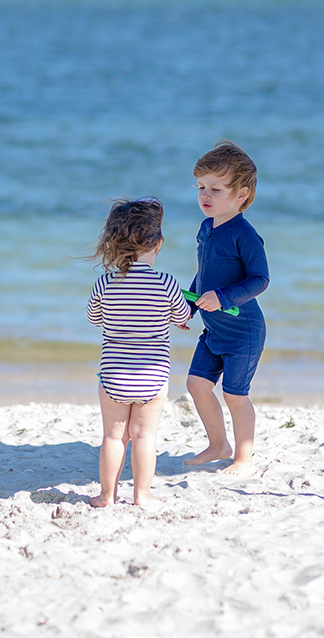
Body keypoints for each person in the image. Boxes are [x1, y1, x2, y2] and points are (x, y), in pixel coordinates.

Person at [86, 198, 191, 508]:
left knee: (113, 437)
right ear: (158, 245)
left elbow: (94, 318)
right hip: (153, 376)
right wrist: (174, 318)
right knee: (144, 437)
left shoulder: (105, 283)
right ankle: (142, 496)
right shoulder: (166, 283)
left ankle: (106, 495)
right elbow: (182, 315)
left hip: (114, 375)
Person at [185, 140, 269, 478]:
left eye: (215, 189)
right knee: (196, 385)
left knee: (235, 395)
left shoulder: (244, 235)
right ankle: (219, 445)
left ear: (241, 195)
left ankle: (244, 458)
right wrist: (188, 306)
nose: (205, 195)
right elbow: (203, 272)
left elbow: (260, 280)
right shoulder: (207, 228)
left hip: (242, 333)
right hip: (213, 330)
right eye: (201, 187)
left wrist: (222, 297)